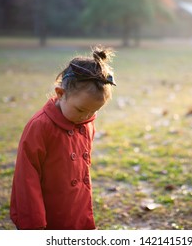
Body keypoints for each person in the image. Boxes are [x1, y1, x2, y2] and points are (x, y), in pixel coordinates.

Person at [10, 46, 116, 230]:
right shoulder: (40, 126)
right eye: (81, 110)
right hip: (49, 215)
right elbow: (26, 177)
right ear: (60, 94)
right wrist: (34, 225)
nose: (87, 116)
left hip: (77, 210)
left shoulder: (86, 123)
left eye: (94, 111)